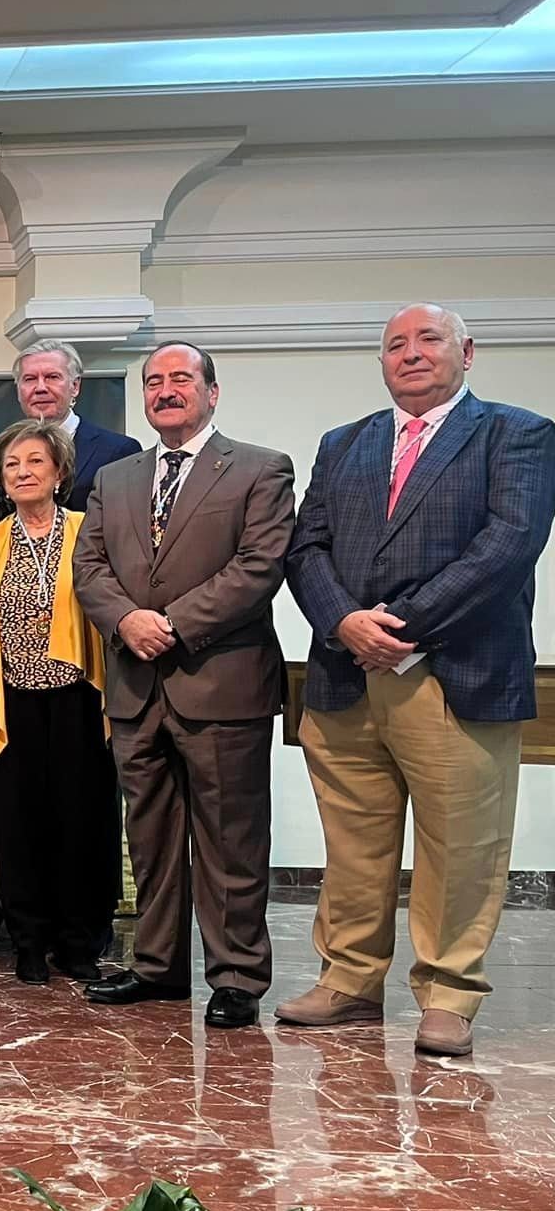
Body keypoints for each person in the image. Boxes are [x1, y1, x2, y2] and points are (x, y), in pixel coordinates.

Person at [279, 303, 555, 1056]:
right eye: (395, 344)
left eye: (428, 339)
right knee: (354, 846)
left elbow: (507, 546)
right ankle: (349, 980)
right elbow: (307, 547)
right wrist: (343, 623)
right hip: (344, 675)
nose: (411, 354)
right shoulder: (345, 444)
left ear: (466, 351)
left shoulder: (516, 433)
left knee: (461, 845)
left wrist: (396, 628)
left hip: (452, 673)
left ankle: (449, 993)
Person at [72, 344, 296, 1027]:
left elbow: (260, 567)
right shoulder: (115, 478)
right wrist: (126, 621)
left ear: (212, 392)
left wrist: (168, 622)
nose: (167, 390)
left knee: (231, 838)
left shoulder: (260, 468)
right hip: (137, 686)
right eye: (155, 381)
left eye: (181, 379)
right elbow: (91, 567)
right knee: (151, 837)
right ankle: (157, 966)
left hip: (222, 682)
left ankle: (236, 977)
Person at [0, 420, 114, 985]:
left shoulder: (89, 530)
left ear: (60, 473)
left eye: (35, 462)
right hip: (9, 703)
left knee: (80, 822)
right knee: (19, 826)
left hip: (77, 701)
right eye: (12, 464)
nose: (23, 472)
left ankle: (79, 942)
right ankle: (28, 940)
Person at [13, 341, 140, 511]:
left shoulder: (119, 451)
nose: (40, 388)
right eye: (30, 379)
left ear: (75, 386)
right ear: (18, 390)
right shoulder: (8, 452)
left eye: (52, 377)